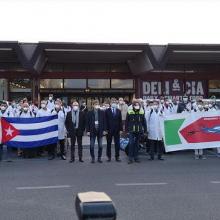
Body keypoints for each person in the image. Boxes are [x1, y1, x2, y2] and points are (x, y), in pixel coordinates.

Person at [125, 99, 147, 164]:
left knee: (137, 144)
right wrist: (126, 130)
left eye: (138, 104)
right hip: (131, 130)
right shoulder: (129, 111)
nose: (136, 106)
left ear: (139, 105)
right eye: (135, 105)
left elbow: (144, 121)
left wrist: (145, 130)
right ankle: (130, 158)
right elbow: (127, 121)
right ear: (133, 105)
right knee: (131, 143)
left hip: (139, 130)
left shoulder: (141, 111)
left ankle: (136, 157)